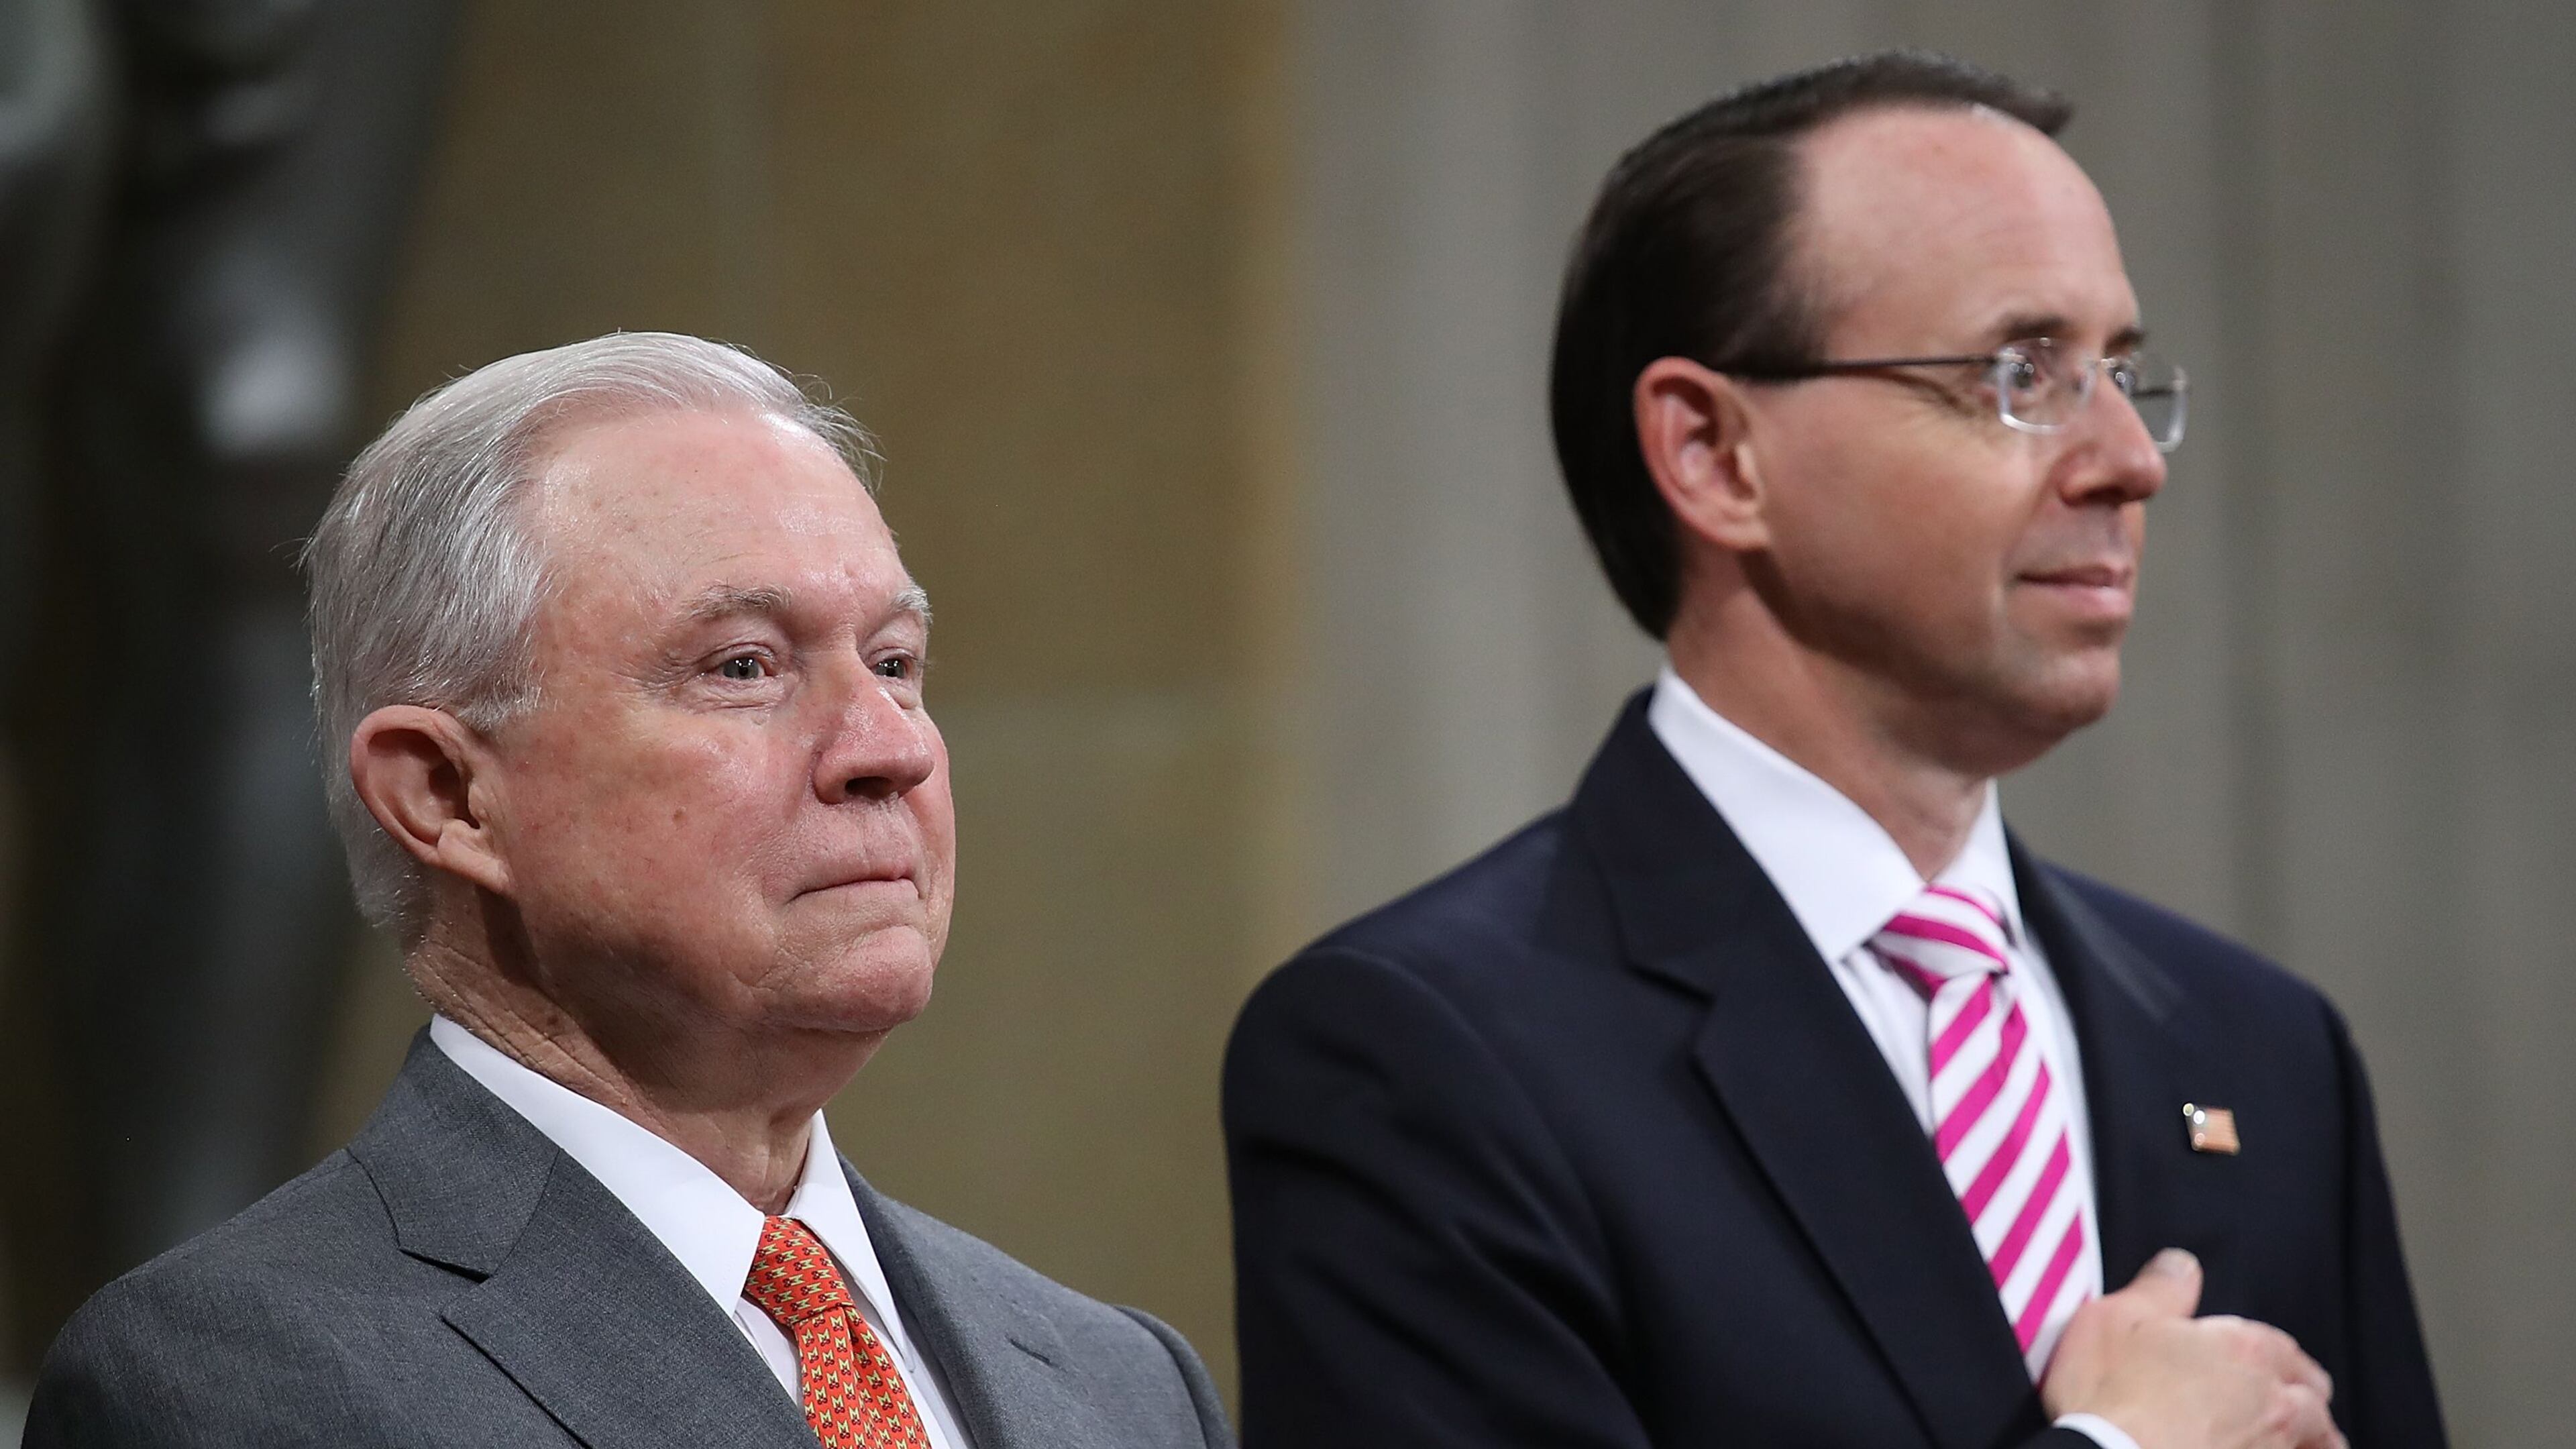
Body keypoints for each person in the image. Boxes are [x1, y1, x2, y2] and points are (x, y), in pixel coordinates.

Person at [1224, 51, 2443, 1449]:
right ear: (1713, 454)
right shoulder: (1424, 1056)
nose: (2129, 459)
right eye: (2021, 372)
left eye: (2121, 370)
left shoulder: (2264, 1048)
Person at [23, 333, 1234, 1449]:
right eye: (744, 666)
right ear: (446, 793)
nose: (890, 746)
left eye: (896, 662)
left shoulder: (1121, 1383)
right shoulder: (231, 1386)